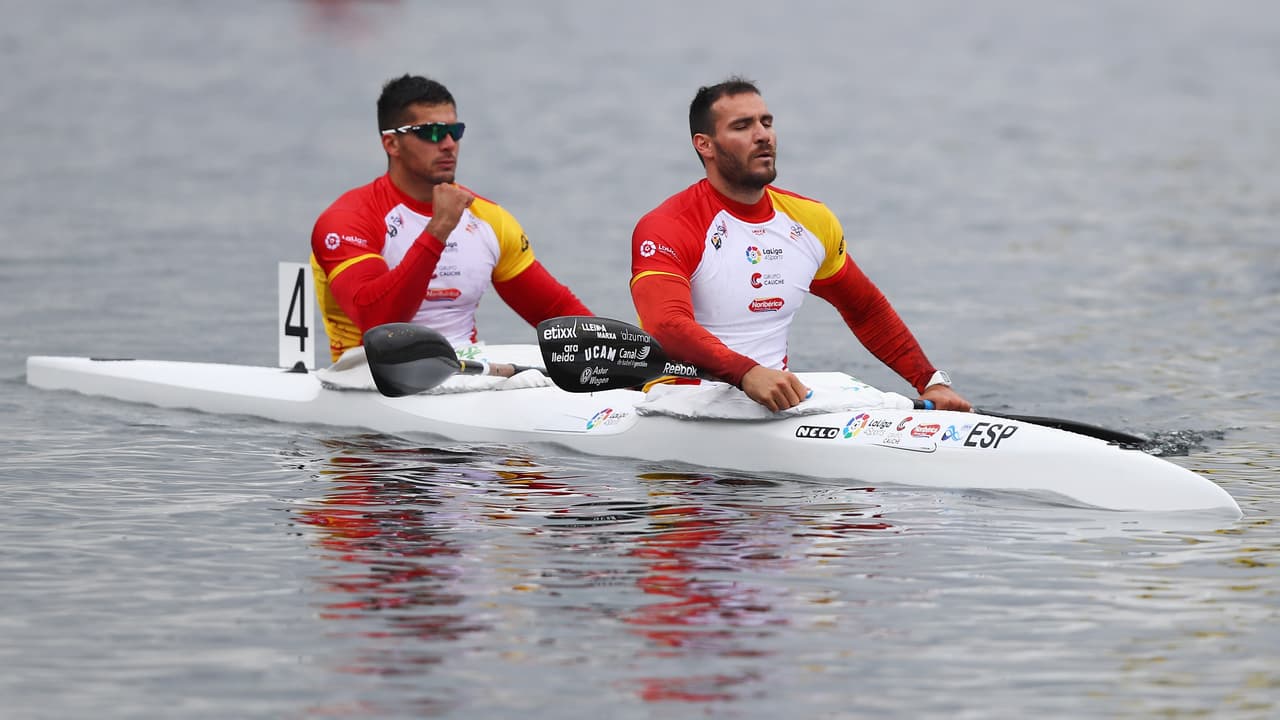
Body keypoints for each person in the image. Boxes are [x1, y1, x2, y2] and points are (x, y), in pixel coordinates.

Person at [630, 77, 971, 413]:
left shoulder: (810, 220)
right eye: (742, 126)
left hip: (775, 400)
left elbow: (865, 310)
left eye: (766, 122)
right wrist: (746, 372)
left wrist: (929, 381)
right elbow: (666, 325)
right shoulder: (670, 225)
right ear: (705, 145)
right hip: (680, 402)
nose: (763, 134)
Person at [310, 74, 591, 364]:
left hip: (469, 372)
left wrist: (627, 369)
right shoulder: (349, 220)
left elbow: (555, 311)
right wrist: (438, 229)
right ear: (392, 143)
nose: (448, 144)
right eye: (431, 133)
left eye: (454, 131)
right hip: (373, 375)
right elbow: (379, 322)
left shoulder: (489, 219)